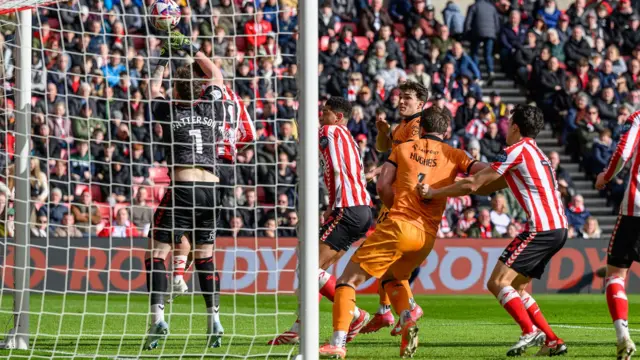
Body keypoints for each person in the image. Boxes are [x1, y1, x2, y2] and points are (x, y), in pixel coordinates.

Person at [319, 107, 486, 358]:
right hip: (427, 236)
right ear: (446, 130)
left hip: (399, 225)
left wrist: (394, 208)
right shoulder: (456, 154)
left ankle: (338, 343)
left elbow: (383, 184)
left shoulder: (403, 149)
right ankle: (407, 317)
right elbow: (483, 172)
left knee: (347, 281)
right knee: (391, 277)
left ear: (423, 127)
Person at [420, 105, 568, 356]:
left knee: (497, 282)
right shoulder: (536, 153)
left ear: (515, 128)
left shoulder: (515, 151)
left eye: (507, 124)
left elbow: (475, 183)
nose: (504, 130)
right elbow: (487, 187)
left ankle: (528, 331)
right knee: (517, 289)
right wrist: (451, 184)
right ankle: (552, 340)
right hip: (558, 228)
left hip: (540, 229)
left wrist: (434, 192)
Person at [144, 31, 227, 350]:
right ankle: (215, 321)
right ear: (199, 88)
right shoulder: (209, 107)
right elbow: (216, 74)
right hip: (212, 190)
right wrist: (191, 49)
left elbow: (153, 88)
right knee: (205, 257)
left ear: (176, 89)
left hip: (183, 187)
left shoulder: (169, 109)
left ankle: (158, 320)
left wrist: (163, 60)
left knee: (156, 253)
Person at [268, 97, 373, 346]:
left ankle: (355, 315)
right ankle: (299, 327)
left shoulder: (329, 130)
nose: (321, 115)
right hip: (360, 210)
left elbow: (324, 160)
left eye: (325, 111)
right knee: (315, 271)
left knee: (308, 268)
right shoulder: (348, 138)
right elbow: (341, 172)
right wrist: (329, 206)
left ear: (338, 117)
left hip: (347, 209)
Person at [362, 81, 428, 335]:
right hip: (395, 194)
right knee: (387, 253)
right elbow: (383, 148)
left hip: (405, 196)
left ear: (420, 104)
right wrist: (382, 131)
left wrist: (377, 172)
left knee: (386, 253)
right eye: (400, 97)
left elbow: (405, 162)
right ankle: (385, 310)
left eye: (407, 98)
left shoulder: (417, 126)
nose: (401, 101)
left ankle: (406, 307)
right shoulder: (403, 125)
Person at [595, 109, 640, 359]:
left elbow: (623, 153)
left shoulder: (638, 117)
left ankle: (623, 337)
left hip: (636, 208)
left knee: (615, 274)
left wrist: (606, 176)